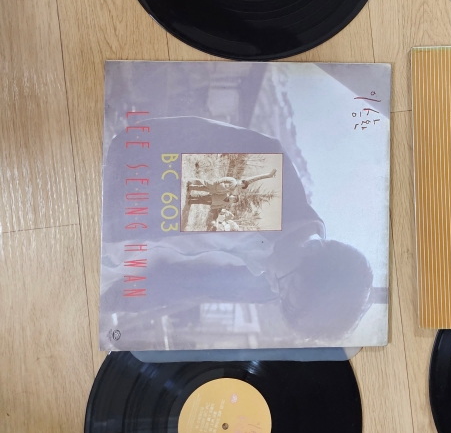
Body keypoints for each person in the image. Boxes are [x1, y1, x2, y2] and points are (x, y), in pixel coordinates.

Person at [101, 117, 373, 343]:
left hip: (105, 279)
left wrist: (109, 299)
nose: (274, 288)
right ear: (313, 249)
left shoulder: (266, 286)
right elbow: (154, 149)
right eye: (286, 285)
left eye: (283, 301)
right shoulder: (266, 185)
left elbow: (179, 287)